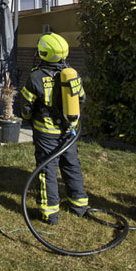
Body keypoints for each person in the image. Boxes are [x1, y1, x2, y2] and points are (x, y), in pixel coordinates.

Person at [20, 32, 88, 225]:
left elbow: (26, 107)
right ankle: (79, 205)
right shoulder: (72, 75)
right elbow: (82, 98)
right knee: (71, 165)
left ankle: (49, 213)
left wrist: (28, 119)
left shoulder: (35, 77)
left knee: (47, 170)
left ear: (43, 53)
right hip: (69, 132)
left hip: (46, 133)